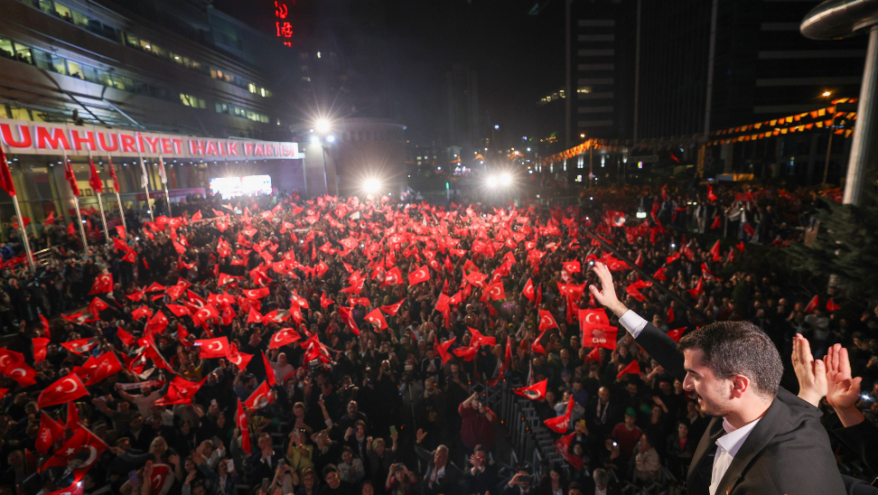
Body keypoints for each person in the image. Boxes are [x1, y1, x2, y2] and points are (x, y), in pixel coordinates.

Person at [589, 261, 845, 495]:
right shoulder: (771, 399)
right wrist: (617, 307)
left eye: (694, 377)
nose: (686, 384)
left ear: (737, 385)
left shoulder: (773, 483)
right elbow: (671, 355)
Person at [414, 429, 461, 495]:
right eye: (436, 454)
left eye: (440, 457)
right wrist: (419, 440)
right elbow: (419, 450)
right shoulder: (432, 457)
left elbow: (456, 488)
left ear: (445, 458)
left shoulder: (452, 470)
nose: (437, 458)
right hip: (425, 490)